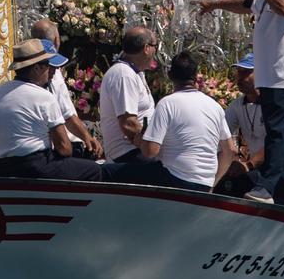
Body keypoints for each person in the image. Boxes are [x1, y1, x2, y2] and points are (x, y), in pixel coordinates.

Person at [198, 0, 284, 206]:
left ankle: (266, 187)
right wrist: (213, 4)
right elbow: (246, 5)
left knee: (277, 134)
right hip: (270, 76)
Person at [0, 39, 105, 181]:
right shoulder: (44, 96)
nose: (52, 71)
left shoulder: (1, 91)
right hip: (33, 166)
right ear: (36, 68)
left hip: (0, 167)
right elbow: (64, 148)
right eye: (47, 66)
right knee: (93, 170)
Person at [138, 52, 235, 194]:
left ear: (170, 76)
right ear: (196, 77)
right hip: (205, 184)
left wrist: (141, 139)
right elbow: (230, 150)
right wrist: (212, 184)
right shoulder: (214, 106)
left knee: (111, 172)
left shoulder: (167, 103)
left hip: (174, 179)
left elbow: (151, 152)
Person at [31, 18, 101, 156]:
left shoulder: (28, 72)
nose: (49, 72)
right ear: (57, 40)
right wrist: (89, 140)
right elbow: (67, 117)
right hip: (52, 149)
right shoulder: (51, 73)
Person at [98, 26, 158, 165]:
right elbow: (128, 124)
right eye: (156, 46)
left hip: (138, 149)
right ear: (147, 48)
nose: (156, 52)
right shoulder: (123, 74)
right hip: (127, 154)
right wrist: (152, 147)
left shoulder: (133, 72)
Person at [220, 56, 265, 196]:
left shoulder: (272, 104)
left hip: (280, 167)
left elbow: (277, 142)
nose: (239, 77)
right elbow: (221, 133)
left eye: (246, 72)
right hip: (256, 168)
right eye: (238, 72)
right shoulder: (237, 105)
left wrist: (249, 164)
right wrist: (231, 159)